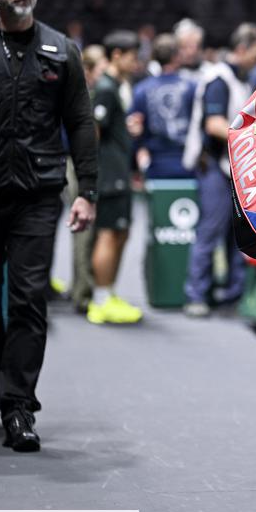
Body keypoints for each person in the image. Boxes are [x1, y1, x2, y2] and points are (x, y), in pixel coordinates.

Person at [0, 0, 97, 450]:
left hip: (38, 195)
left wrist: (86, 191)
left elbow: (81, 122)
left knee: (28, 301)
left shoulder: (61, 49)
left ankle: (18, 408)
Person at [181, 22, 256, 318]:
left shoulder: (244, 78)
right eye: (255, 53)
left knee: (237, 234)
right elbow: (214, 124)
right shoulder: (218, 78)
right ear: (241, 49)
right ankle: (195, 295)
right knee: (211, 230)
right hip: (213, 167)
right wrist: (253, 136)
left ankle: (232, 295)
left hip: (235, 167)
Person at [86, 30, 143, 325]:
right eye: (132, 57)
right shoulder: (106, 88)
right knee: (108, 234)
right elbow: (93, 132)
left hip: (119, 172)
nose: (136, 63)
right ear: (117, 55)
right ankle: (100, 300)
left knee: (121, 233)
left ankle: (109, 292)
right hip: (110, 175)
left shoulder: (115, 86)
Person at [70, 44, 108, 314]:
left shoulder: (92, 92)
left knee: (86, 229)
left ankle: (82, 288)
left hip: (83, 163)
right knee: (83, 228)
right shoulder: (79, 93)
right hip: (74, 163)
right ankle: (82, 293)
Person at [127, 33, 196, 179]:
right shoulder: (192, 86)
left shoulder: (141, 89)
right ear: (177, 56)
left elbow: (134, 128)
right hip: (188, 161)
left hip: (155, 164)